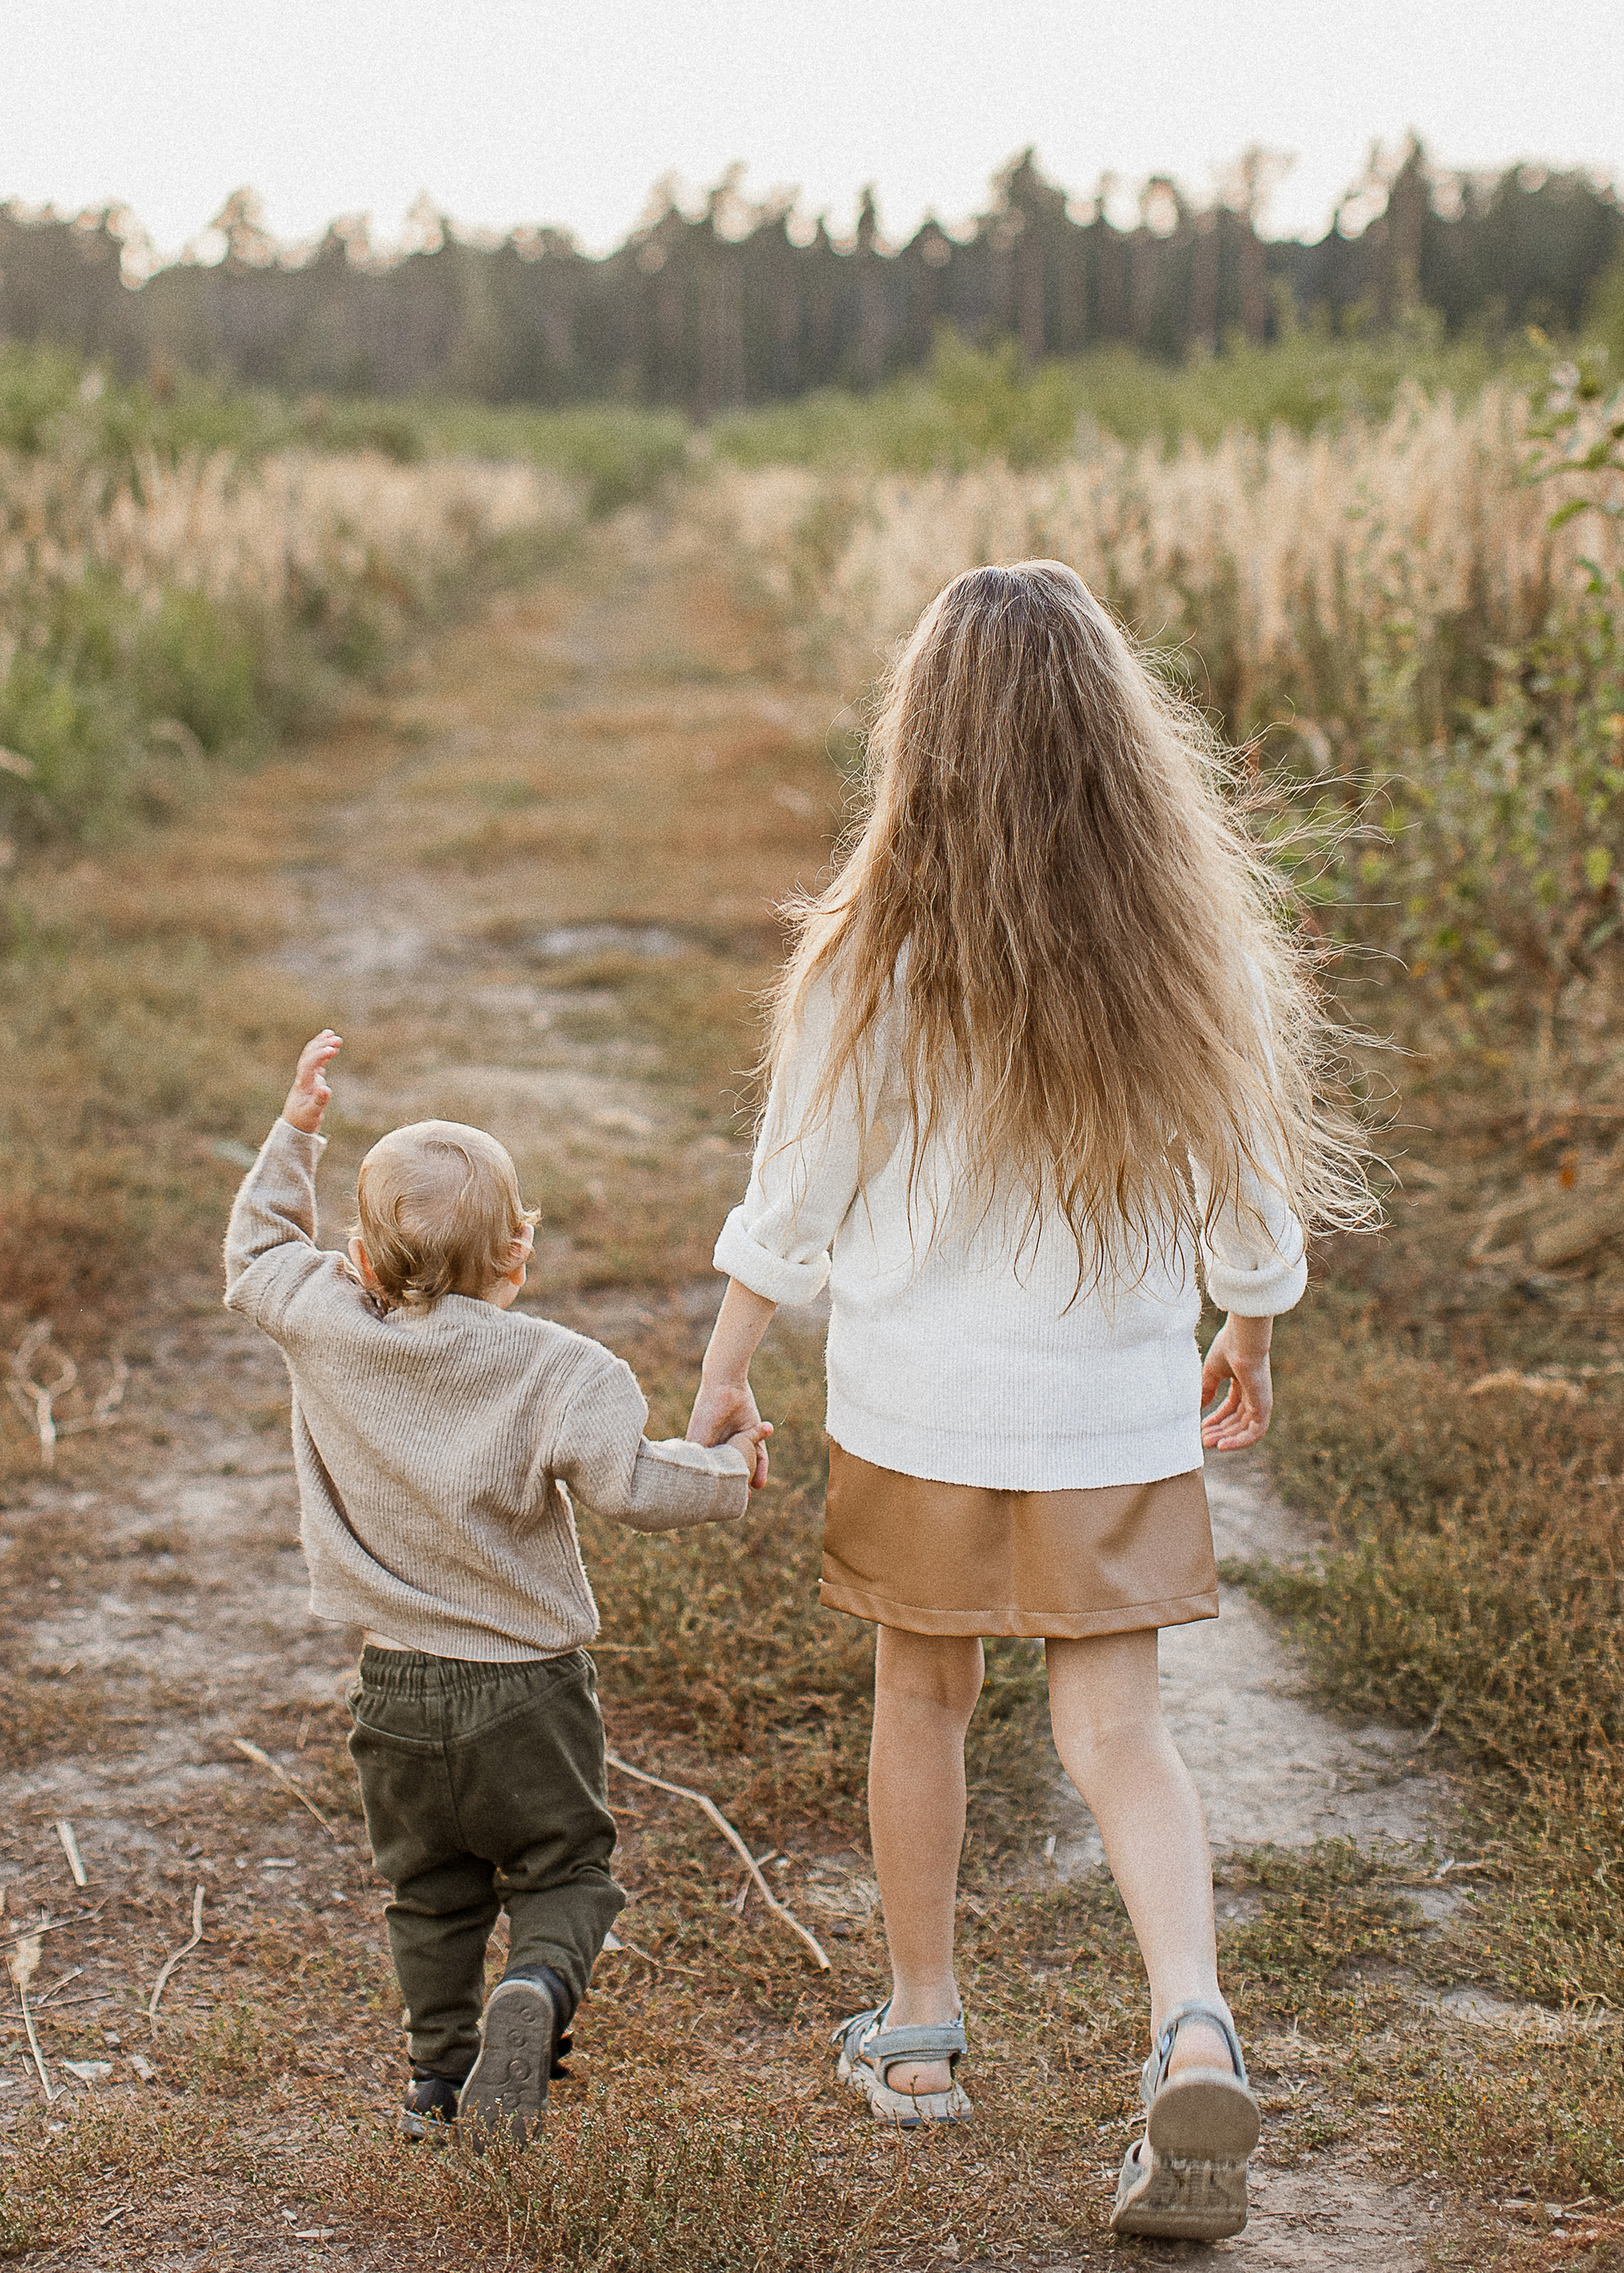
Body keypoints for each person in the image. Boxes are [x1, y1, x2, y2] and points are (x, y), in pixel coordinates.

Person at [685, 560, 1368, 2246]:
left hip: (918, 1413)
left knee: (918, 1701)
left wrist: (721, 1363)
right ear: (1115, 743)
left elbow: (798, 1188)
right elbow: (1241, 1189)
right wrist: (1250, 1332)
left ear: (917, 742)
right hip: (1106, 1418)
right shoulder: (1173, 944)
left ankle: (915, 2033)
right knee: (1117, 1735)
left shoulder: (866, 957)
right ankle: (1189, 2021)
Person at [223, 1030, 770, 2140]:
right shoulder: (561, 1367)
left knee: (429, 1894)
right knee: (568, 1869)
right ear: (518, 1252)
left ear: (361, 1261)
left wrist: (299, 1130)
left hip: (395, 1693)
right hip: (529, 1693)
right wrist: (728, 1469)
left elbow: (257, 1251)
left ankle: (436, 2085)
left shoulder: (322, 1321)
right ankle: (537, 1990)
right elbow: (633, 1484)